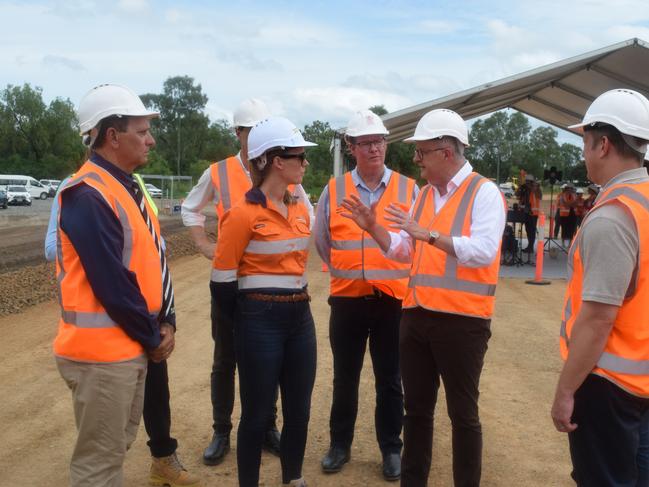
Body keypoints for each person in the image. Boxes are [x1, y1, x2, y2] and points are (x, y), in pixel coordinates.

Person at [340, 108, 506, 487]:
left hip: (463, 322)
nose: (416, 159)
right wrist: (374, 228)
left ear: (446, 153)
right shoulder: (426, 195)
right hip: (416, 317)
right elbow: (402, 249)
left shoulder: (485, 193)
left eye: (422, 152)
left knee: (463, 415)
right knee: (415, 412)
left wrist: (427, 234)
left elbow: (482, 250)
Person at [53, 84, 193, 487]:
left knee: (111, 454)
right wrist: (152, 335)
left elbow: (149, 264)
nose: (150, 139)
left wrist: (164, 320)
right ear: (112, 136)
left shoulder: (125, 187)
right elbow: (112, 282)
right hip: (101, 354)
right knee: (99, 467)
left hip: (122, 349)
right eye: (142, 130)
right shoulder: (88, 194)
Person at [182, 99, 312, 464]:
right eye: (247, 130)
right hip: (229, 281)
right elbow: (191, 208)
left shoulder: (284, 172)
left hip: (267, 290)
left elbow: (305, 215)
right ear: (238, 133)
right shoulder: (219, 171)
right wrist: (206, 244)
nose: (253, 136)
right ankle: (222, 430)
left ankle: (267, 426)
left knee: (268, 360)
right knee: (225, 359)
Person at [550, 88, 649, 486]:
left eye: (586, 143)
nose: (584, 154)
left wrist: (565, 391)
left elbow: (596, 320)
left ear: (604, 144)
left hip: (608, 386)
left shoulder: (614, 217)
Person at [213, 116, 317, 487]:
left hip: (300, 318)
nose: (305, 164)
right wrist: (243, 325)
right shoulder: (242, 215)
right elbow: (222, 282)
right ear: (276, 161)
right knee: (257, 414)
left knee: (299, 411)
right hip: (259, 320)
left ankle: (293, 478)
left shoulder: (301, 209)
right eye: (299, 157)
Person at [314, 110, 418, 481]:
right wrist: (349, 271)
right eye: (366, 143)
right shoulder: (334, 189)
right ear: (351, 147)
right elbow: (323, 241)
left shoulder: (409, 190)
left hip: (393, 301)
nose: (374, 148)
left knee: (391, 379)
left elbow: (416, 245)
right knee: (345, 377)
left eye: (379, 141)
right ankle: (339, 445)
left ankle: (392, 449)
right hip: (347, 299)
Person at [516, 173, 541, 252]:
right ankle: (529, 246)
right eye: (526, 182)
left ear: (532, 182)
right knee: (528, 230)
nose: (527, 183)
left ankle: (530, 247)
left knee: (532, 230)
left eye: (529, 182)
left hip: (533, 213)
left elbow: (539, 196)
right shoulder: (524, 188)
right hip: (525, 212)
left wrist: (534, 187)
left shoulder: (536, 189)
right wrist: (520, 187)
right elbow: (517, 195)